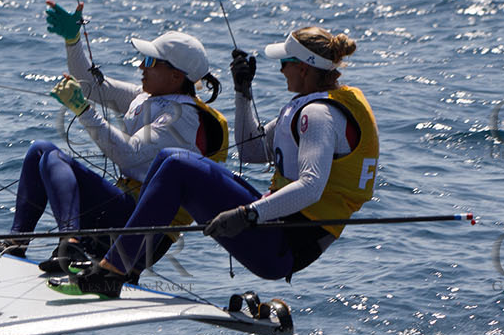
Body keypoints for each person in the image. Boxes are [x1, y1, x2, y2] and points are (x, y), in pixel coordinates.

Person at [63, 26, 379, 298]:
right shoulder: (313, 106)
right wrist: (243, 92)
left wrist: (248, 213)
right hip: (274, 228)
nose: (281, 70)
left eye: (285, 62)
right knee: (172, 158)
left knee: (177, 167)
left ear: (304, 69)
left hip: (285, 245)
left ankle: (113, 271)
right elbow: (252, 151)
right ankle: (120, 265)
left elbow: (311, 187)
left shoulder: (319, 115)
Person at [0, 1, 227, 273]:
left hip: (145, 231)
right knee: (40, 151)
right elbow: (91, 86)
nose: (141, 66)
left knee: (53, 158)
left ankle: (71, 244)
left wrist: (83, 111)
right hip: (123, 212)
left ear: (176, 76)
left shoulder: (184, 117)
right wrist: (73, 40)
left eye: (150, 62)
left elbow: (128, 154)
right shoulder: (148, 98)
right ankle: (17, 242)